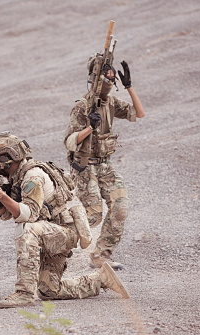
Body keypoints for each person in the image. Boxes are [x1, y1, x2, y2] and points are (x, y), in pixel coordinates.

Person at [0, 131, 129, 308]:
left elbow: (29, 214)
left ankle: (24, 293)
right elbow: (5, 215)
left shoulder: (32, 176)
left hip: (63, 232)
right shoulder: (14, 178)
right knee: (49, 291)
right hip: (51, 233)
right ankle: (101, 280)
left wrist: (4, 198)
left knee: (27, 230)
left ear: (6, 158)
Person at [64, 58, 145, 270]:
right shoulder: (82, 106)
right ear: (94, 79)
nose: (110, 81)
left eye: (113, 77)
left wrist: (129, 87)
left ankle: (101, 254)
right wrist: (89, 127)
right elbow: (69, 141)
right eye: (105, 76)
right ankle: (55, 240)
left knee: (120, 206)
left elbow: (139, 113)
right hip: (84, 166)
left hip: (104, 165)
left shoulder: (111, 103)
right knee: (92, 216)